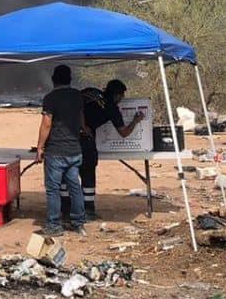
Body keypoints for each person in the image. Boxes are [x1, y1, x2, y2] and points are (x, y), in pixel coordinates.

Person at [71, 79, 145, 220]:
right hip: (85, 140)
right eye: (122, 96)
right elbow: (123, 133)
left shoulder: (91, 91)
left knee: (68, 174)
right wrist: (136, 121)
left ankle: (66, 209)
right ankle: (88, 210)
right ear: (117, 95)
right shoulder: (112, 108)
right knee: (87, 174)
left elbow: (74, 104)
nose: (121, 99)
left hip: (66, 137)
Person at [35, 64, 87, 236]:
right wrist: (85, 130)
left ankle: (54, 225)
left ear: (53, 80)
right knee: (75, 187)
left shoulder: (50, 98)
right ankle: (79, 223)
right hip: (74, 150)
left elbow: (47, 123)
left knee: (53, 189)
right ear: (70, 79)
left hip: (56, 151)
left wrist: (40, 147)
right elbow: (81, 119)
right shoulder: (78, 96)